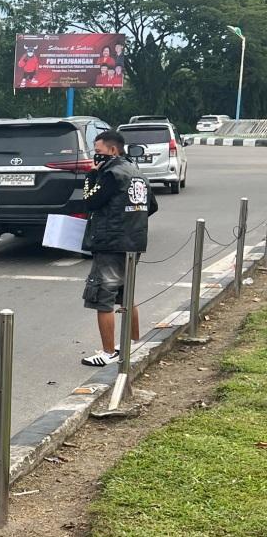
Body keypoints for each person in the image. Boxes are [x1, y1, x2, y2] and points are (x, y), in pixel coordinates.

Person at [79, 130, 158, 366]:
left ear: (113, 150)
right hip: (133, 243)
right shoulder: (136, 173)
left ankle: (108, 352)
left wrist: (91, 176)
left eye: (99, 152)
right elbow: (151, 206)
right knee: (126, 295)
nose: (96, 157)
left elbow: (90, 201)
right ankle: (132, 344)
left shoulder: (111, 174)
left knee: (102, 297)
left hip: (111, 244)